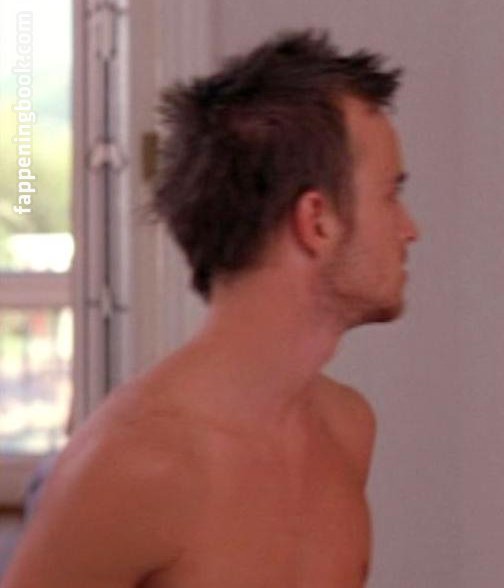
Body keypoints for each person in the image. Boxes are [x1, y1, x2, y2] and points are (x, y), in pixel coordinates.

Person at [2, 29, 418, 587]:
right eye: (390, 195)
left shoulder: (346, 428)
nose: (410, 229)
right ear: (317, 221)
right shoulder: (132, 463)